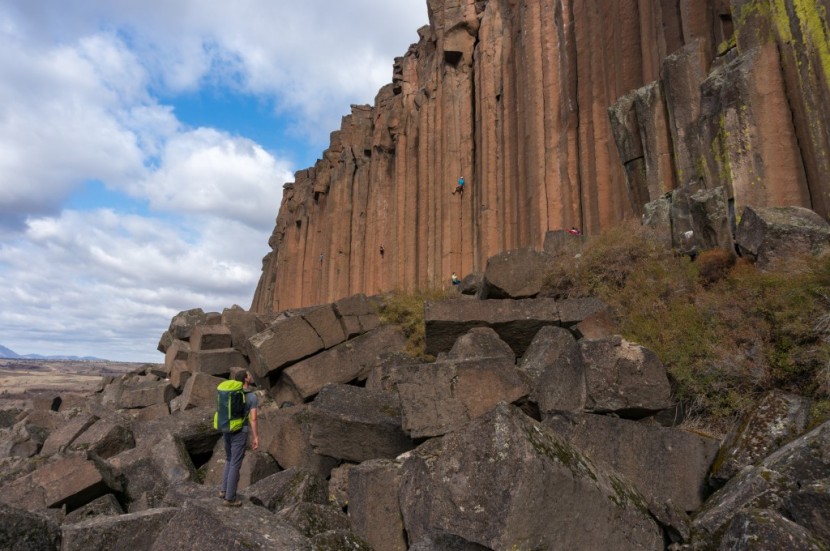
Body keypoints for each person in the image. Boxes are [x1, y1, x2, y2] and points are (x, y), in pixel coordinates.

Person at [220, 369, 259, 507]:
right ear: (246, 379)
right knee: (235, 463)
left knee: (229, 459)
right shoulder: (252, 397)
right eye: (249, 375)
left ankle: (223, 490)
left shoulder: (230, 393)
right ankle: (230, 498)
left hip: (227, 428)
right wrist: (255, 437)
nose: (250, 376)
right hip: (240, 432)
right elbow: (253, 419)